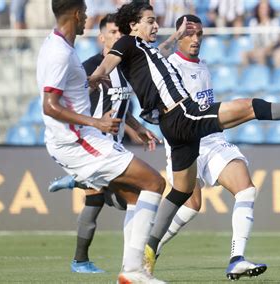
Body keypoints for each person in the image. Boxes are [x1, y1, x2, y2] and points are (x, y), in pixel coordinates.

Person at [88, 1, 280, 277]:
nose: (155, 24)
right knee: (255, 107)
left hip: (174, 127)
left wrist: (175, 37)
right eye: (150, 20)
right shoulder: (129, 43)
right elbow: (109, 61)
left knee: (181, 192)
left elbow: (156, 55)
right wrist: (96, 75)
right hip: (184, 115)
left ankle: (148, 250)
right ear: (133, 25)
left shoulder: (146, 50)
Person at [37, 1, 166, 283]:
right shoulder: (59, 52)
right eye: (84, 12)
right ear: (75, 14)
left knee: (135, 197)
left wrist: (90, 83)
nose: (87, 17)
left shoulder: (60, 46)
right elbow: (49, 105)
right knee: (155, 183)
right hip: (78, 141)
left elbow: (68, 90)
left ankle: (131, 271)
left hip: (80, 139)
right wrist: (97, 122)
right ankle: (132, 271)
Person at [156, 14, 267, 280]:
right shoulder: (169, 65)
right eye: (188, 34)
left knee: (246, 190)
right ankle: (151, 246)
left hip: (212, 139)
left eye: (199, 35)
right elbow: (154, 55)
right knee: (192, 205)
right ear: (178, 36)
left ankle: (237, 258)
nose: (195, 40)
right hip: (184, 142)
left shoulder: (203, 65)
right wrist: (171, 37)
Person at [241, 0, 280, 67]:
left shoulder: (274, 22)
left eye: (266, 8)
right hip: (258, 48)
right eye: (262, 8)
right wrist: (257, 49)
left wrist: (265, 49)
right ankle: (247, 74)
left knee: (261, 54)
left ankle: (263, 74)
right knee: (243, 54)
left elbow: (275, 40)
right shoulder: (253, 22)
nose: (264, 10)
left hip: (271, 49)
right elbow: (253, 40)